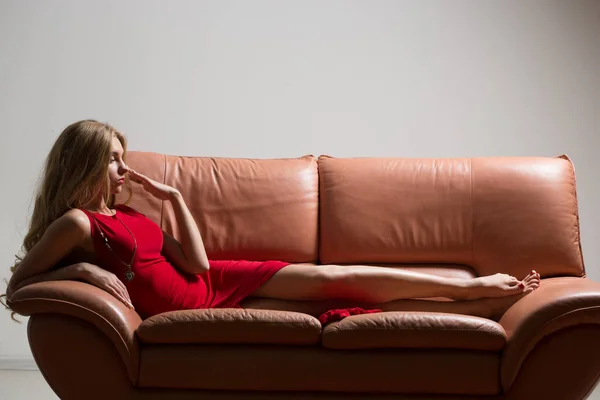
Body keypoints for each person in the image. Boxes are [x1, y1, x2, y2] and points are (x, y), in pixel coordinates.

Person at [1, 120, 540, 320]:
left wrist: (173, 198)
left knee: (336, 280)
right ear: (87, 162)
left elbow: (197, 262)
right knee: (342, 298)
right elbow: (19, 286)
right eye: (114, 159)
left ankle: (473, 294)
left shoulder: (127, 212)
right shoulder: (77, 223)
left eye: (124, 156)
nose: (124, 168)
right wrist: (84, 274)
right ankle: (485, 303)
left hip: (212, 282)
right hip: (192, 306)